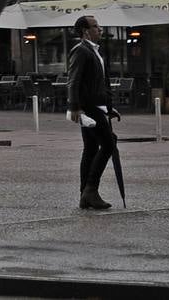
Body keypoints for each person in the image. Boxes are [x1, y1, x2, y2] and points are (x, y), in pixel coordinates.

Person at [66, 15, 120, 211]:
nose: (100, 29)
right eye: (96, 26)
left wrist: (108, 105)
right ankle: (91, 189)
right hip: (88, 107)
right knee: (108, 143)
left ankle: (85, 195)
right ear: (85, 31)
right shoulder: (81, 51)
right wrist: (74, 108)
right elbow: (73, 81)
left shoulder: (95, 51)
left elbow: (100, 82)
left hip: (97, 106)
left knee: (90, 148)